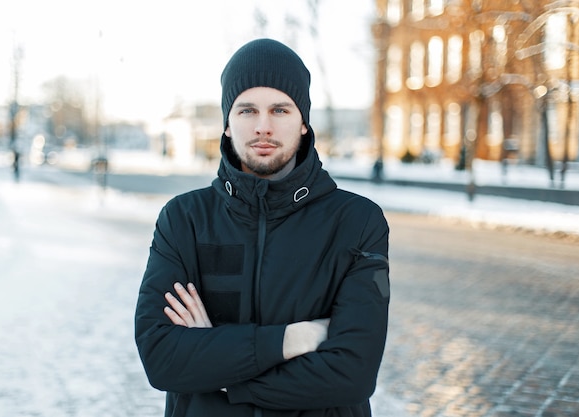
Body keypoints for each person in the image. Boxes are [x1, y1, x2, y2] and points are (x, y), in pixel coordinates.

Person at [135, 38, 390, 417]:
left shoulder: (356, 222)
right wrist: (290, 340)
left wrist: (216, 365)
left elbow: (352, 373)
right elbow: (162, 359)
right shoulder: (184, 219)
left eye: (280, 110)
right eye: (247, 110)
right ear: (226, 124)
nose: (263, 127)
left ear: (303, 123)